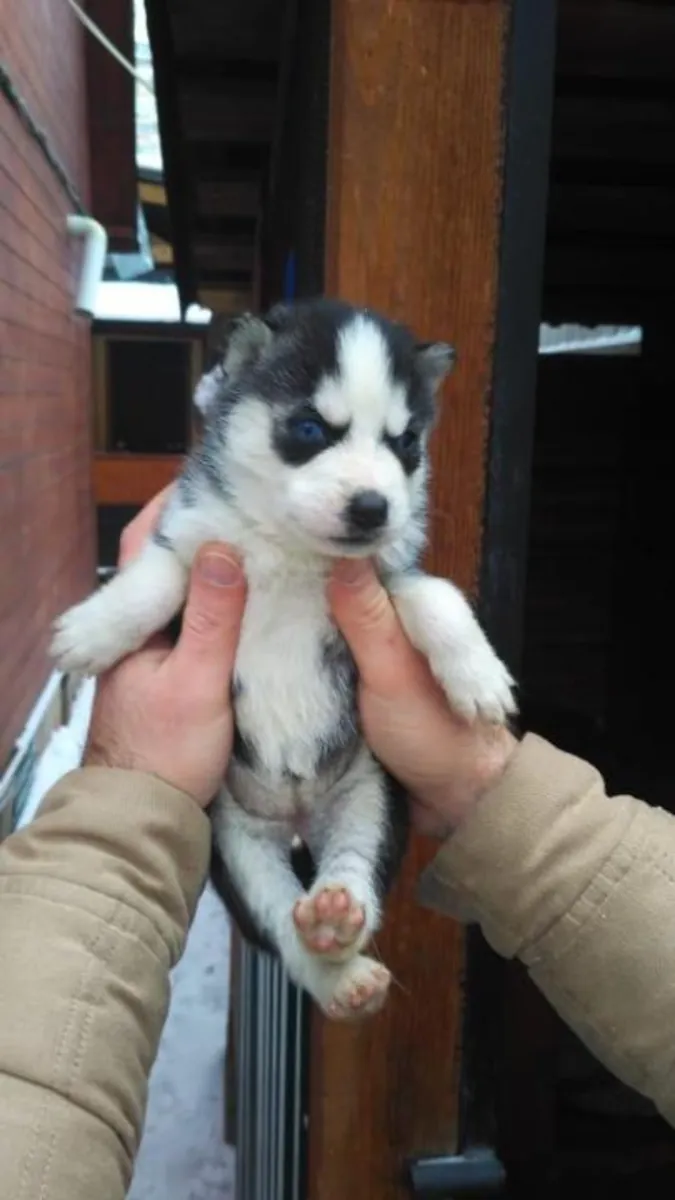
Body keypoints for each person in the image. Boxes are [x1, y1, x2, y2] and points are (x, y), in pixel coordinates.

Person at [1, 497, 674, 1199]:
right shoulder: (226, 504)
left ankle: (342, 902)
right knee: (247, 852)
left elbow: (414, 591)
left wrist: (473, 741)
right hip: (242, 781)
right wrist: (125, 614)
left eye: (400, 448)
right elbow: (169, 562)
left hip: (340, 765)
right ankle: (313, 948)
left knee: (359, 826)